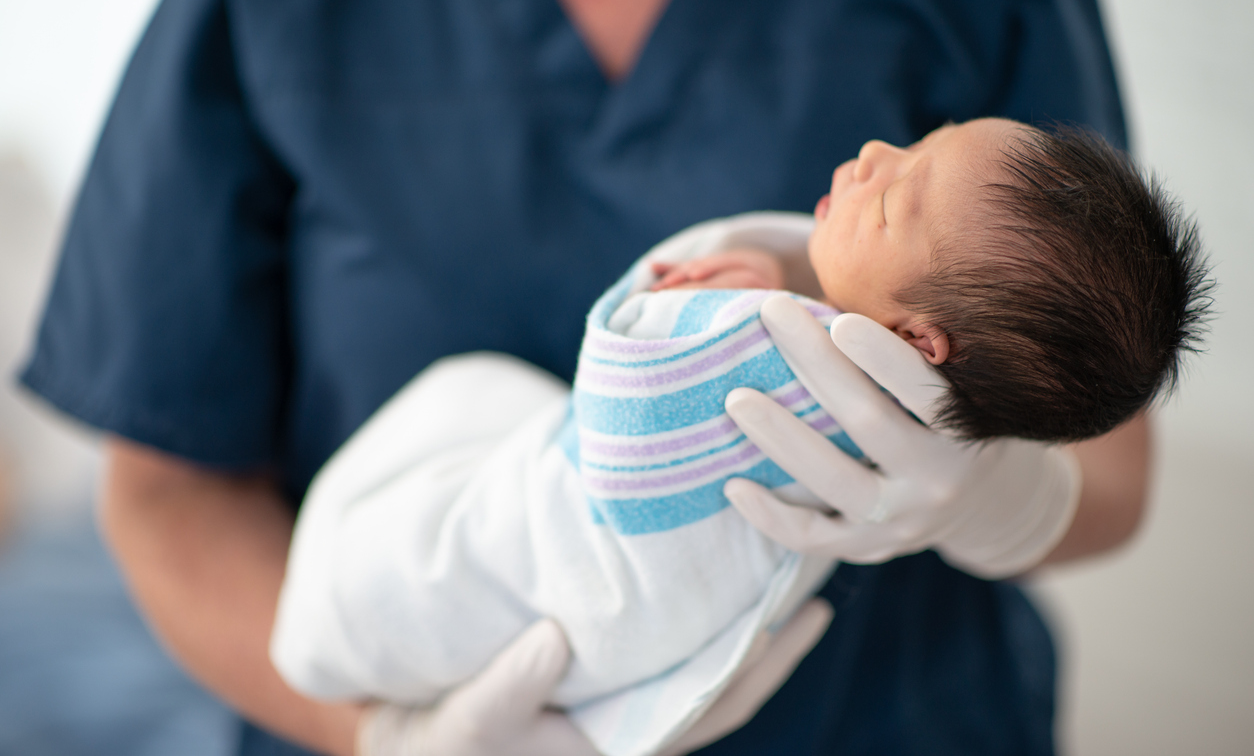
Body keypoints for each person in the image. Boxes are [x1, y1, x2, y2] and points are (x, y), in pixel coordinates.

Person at [18, 0, 1150, 754]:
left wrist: (1009, 498)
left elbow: (1105, 431)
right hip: (420, 598)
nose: (873, 158)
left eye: (909, 179)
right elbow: (167, 488)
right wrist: (380, 733)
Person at [269, 117, 1205, 754]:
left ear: (920, 345)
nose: (878, 150)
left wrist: (1011, 504)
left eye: (894, 198)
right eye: (921, 140)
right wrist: (774, 272)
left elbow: (635, 392)